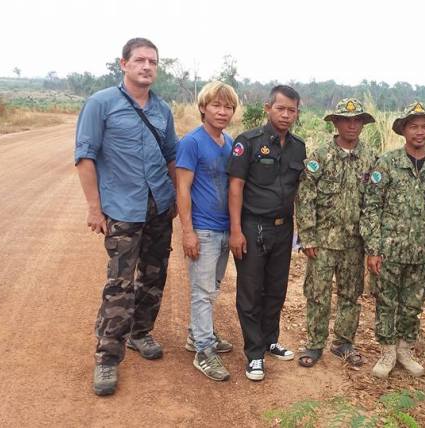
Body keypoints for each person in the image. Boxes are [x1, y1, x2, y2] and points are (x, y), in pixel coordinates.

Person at [75, 37, 177, 396]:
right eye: (139, 60)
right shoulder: (101, 104)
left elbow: (171, 157)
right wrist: (94, 207)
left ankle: (141, 332)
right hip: (122, 208)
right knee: (120, 282)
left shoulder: (163, 110)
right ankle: (107, 356)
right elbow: (85, 157)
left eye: (153, 61)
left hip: (159, 205)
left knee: (154, 275)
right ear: (124, 64)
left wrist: (175, 200)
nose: (147, 66)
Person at [361, 101, 425, 379]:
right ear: (403, 130)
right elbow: (371, 208)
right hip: (389, 251)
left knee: (413, 305)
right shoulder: (387, 163)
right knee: (386, 303)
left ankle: (405, 350)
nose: (420, 132)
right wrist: (373, 249)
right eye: (414, 126)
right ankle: (387, 352)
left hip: (422, 253)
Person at [227, 85, 306, 381]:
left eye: (291, 110)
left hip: (283, 228)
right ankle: (254, 354)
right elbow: (235, 187)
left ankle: (270, 339)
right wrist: (236, 230)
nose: (286, 115)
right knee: (250, 291)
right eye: (280, 108)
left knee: (276, 289)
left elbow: (301, 190)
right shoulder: (248, 142)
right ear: (268, 108)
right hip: (253, 226)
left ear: (297, 113)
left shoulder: (298, 147)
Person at [295, 98, 378, 368]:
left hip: (355, 243)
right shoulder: (320, 157)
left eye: (357, 121)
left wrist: (372, 243)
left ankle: (343, 342)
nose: (351, 126)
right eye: (346, 120)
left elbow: (375, 203)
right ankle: (314, 344)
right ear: (336, 123)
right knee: (318, 294)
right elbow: (305, 198)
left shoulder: (371, 159)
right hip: (322, 242)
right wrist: (307, 236)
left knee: (350, 295)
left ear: (363, 124)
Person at [175, 81, 239, 382]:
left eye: (228, 107)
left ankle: (196, 334)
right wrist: (187, 231)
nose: (222, 112)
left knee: (211, 287)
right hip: (203, 229)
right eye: (216, 105)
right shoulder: (192, 142)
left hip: (225, 228)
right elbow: (182, 189)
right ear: (203, 107)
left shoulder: (229, 142)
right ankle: (203, 350)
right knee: (202, 291)